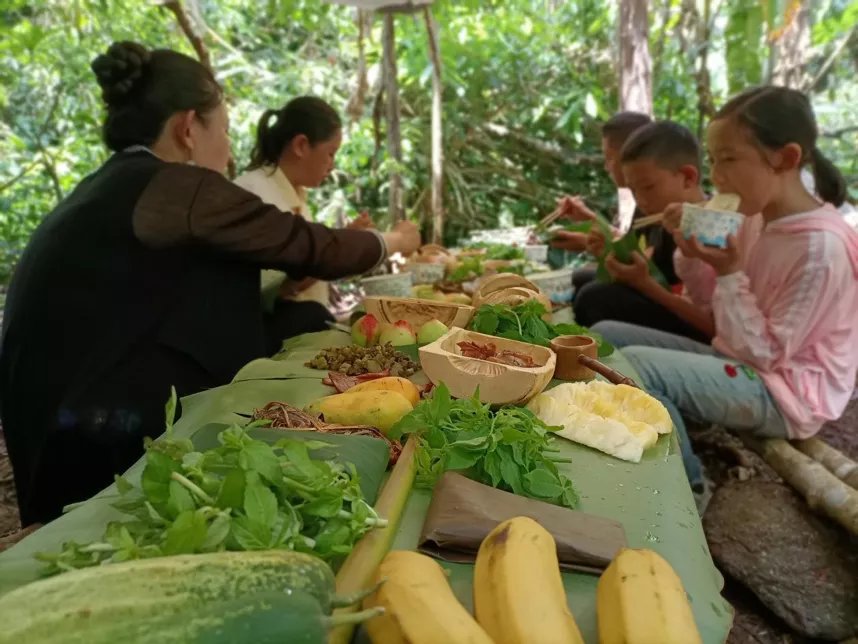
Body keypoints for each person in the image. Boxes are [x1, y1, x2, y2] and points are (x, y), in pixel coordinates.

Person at [0, 41, 420, 524]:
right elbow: (310, 244)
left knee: (302, 319)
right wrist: (391, 238)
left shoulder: (110, 186)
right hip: (97, 439)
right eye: (222, 127)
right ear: (186, 129)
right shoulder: (180, 187)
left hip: (52, 428)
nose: (228, 145)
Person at [593, 86, 857, 493]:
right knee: (608, 335)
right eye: (713, 161)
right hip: (740, 352)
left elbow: (766, 355)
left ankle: (688, 490)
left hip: (789, 391)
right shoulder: (754, 216)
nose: (716, 177)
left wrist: (731, 273)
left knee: (639, 365)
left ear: (785, 158)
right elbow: (713, 311)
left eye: (729, 160)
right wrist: (691, 251)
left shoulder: (820, 248)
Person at [235, 97, 373, 337]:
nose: (332, 164)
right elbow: (279, 288)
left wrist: (344, 241)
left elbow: (306, 259)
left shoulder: (293, 193)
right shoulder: (256, 193)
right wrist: (342, 248)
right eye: (330, 153)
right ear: (300, 145)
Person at [572, 121, 708, 342]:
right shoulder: (652, 213)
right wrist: (607, 254)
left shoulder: (709, 225)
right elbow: (646, 268)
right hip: (663, 295)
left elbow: (682, 297)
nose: (641, 200)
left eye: (648, 187)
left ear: (688, 178)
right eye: (634, 190)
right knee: (581, 279)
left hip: (694, 321)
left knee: (595, 297)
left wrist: (643, 283)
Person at [550, 111, 652, 269]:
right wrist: (589, 219)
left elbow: (646, 264)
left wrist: (586, 242)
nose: (606, 167)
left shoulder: (655, 201)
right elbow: (626, 240)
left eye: (609, 158)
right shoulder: (635, 199)